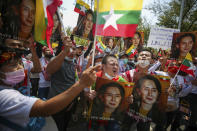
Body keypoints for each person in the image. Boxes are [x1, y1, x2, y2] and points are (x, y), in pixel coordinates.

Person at [0, 45, 100, 131]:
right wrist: (81, 84)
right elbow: (45, 108)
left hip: (69, 106)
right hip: (55, 106)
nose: (20, 68)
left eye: (19, 64)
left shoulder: (74, 63)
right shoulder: (4, 95)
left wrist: (82, 92)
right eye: (13, 65)